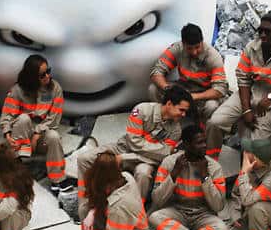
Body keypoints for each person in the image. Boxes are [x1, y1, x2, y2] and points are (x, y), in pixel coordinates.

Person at [77, 86, 192, 218]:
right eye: (181, 110)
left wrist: (125, 158)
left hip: (145, 161)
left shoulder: (176, 130)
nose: (184, 115)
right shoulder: (142, 110)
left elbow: (164, 155)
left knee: (143, 173)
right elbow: (133, 142)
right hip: (122, 148)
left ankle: (135, 213)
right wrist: (158, 150)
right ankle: (86, 206)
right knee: (84, 159)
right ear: (169, 104)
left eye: (185, 112)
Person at [205, 10, 271, 159]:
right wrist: (246, 110)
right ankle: (210, 162)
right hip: (248, 93)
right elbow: (243, 78)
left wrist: (270, 96)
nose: (262, 35)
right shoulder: (252, 47)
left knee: (256, 145)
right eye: (260, 30)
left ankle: (248, 175)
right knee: (215, 122)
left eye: (268, 31)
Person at [0, 54, 74, 194]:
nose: (47, 76)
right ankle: (19, 167)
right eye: (42, 75)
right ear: (31, 77)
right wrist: (7, 134)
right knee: (23, 119)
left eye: (48, 71)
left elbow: (54, 119)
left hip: (41, 137)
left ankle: (57, 180)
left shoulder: (55, 88)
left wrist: (37, 133)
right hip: (21, 138)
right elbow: (7, 115)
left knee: (54, 136)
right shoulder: (17, 90)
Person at [149, 125, 228, 230]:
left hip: (204, 214)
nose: (205, 146)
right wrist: (174, 173)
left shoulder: (214, 167)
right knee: (154, 217)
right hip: (178, 210)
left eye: (205, 142)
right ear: (186, 144)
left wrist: (205, 176)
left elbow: (218, 206)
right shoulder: (170, 162)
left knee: (222, 229)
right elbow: (157, 200)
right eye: (199, 143)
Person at [150, 23, 228, 123]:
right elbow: (157, 71)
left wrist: (193, 97)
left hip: (203, 93)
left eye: (197, 47)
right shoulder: (177, 48)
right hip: (183, 88)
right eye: (190, 48)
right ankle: (164, 122)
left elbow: (220, 89)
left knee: (211, 106)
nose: (194, 52)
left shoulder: (213, 57)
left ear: (202, 42)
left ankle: (201, 129)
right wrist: (167, 88)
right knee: (153, 89)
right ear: (183, 44)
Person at [224, 138, 271, 230]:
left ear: (256, 159)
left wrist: (244, 173)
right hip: (250, 207)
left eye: (248, 151)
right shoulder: (250, 168)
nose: (244, 153)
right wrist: (236, 216)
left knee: (256, 208)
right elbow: (236, 193)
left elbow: (247, 200)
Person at [81, 151, 148, 230]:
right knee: (84, 210)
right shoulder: (126, 176)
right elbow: (102, 197)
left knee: (89, 226)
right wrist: (92, 212)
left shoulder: (118, 208)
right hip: (121, 226)